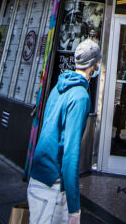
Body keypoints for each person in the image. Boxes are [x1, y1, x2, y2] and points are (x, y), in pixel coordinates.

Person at [27, 39, 100, 224]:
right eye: (98, 61)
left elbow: (47, 129)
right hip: (52, 186)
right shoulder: (80, 97)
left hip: (38, 177)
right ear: (94, 64)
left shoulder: (58, 87)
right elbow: (70, 153)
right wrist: (74, 207)